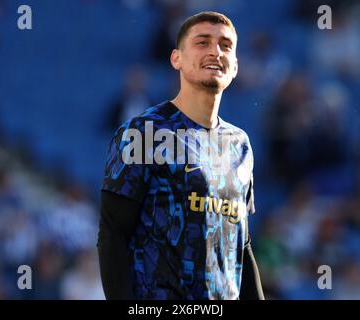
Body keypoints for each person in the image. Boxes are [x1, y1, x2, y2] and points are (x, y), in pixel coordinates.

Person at [97, 11, 264, 300]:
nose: (215, 51)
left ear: (235, 66)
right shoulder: (144, 133)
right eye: (202, 42)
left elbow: (242, 244)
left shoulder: (240, 145)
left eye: (225, 45)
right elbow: (112, 233)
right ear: (177, 59)